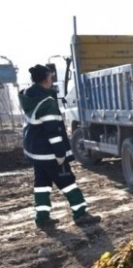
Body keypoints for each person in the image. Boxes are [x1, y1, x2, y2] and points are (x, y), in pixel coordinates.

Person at [19, 64, 101, 229]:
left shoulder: (29, 96)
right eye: (50, 77)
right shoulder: (47, 102)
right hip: (49, 152)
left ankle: (42, 217)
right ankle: (80, 213)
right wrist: (60, 154)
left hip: (35, 151)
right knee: (67, 181)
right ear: (46, 79)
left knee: (42, 183)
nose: (52, 80)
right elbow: (53, 131)